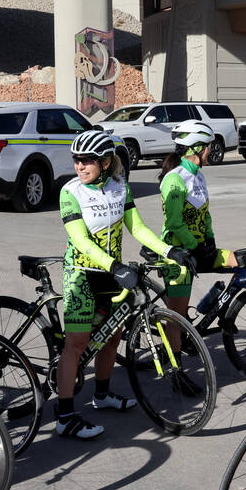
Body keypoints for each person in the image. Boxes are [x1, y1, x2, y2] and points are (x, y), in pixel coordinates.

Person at [55, 130, 187, 439]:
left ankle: (101, 395)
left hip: (111, 273)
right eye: (76, 160)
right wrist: (115, 266)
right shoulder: (70, 192)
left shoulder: (120, 188)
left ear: (104, 161)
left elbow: (137, 227)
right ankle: (64, 415)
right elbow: (81, 241)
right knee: (76, 343)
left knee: (113, 335)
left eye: (86, 161)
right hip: (82, 273)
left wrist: (169, 251)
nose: (79, 166)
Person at [157, 119, 246, 334]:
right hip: (179, 254)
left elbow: (205, 214)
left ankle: (215, 311)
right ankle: (174, 363)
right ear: (198, 148)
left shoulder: (198, 176)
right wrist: (195, 245)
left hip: (200, 248)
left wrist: (209, 240)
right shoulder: (174, 179)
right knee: (177, 320)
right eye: (208, 147)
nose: (210, 151)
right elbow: (174, 223)